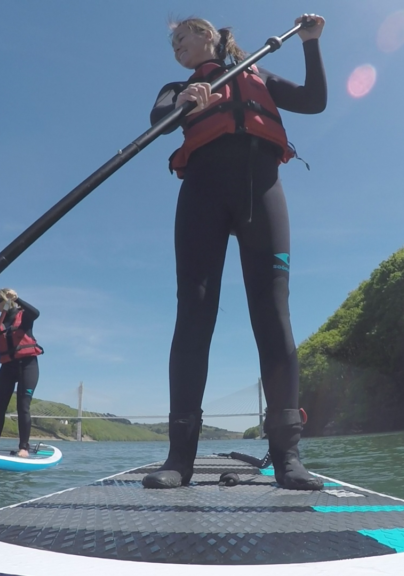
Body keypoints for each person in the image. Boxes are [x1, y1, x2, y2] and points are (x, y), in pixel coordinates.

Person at [142, 15, 327, 490]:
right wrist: (184, 103)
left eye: (182, 38)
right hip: (203, 192)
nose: (178, 48)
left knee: (272, 311)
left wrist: (310, 44)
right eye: (173, 45)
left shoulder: (259, 73)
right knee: (194, 311)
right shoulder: (175, 88)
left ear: (206, 34)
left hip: (261, 190)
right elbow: (159, 122)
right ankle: (179, 458)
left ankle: (287, 456)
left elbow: (314, 100)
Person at [0, 288, 44, 458]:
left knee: (23, 406)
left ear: (7, 300)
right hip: (7, 367)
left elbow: (36, 313)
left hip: (28, 366)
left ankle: (24, 448)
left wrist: (18, 298)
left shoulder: (24, 316)